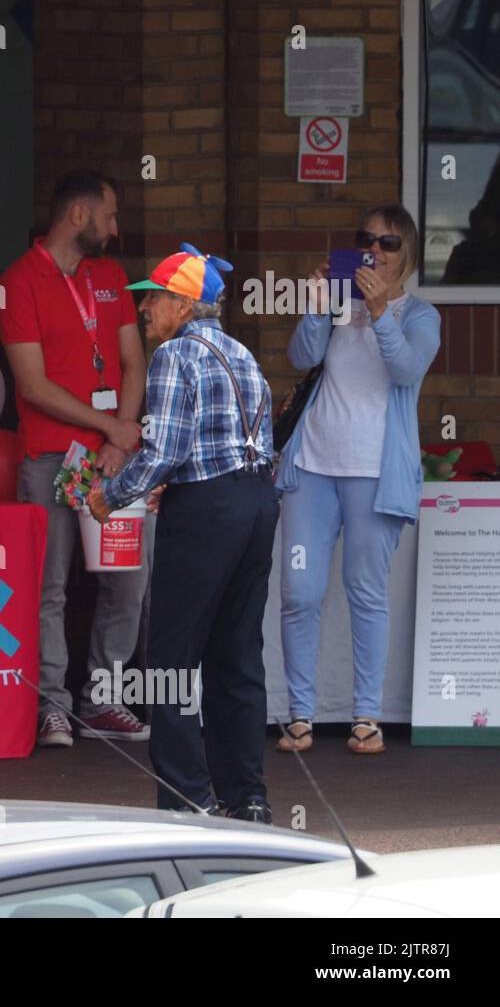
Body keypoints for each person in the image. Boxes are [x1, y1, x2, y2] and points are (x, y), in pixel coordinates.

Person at [88, 245, 277, 822]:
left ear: (181, 303)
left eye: (153, 301)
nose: (145, 312)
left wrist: (109, 496)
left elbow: (165, 449)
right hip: (256, 503)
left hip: (206, 513)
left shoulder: (174, 355)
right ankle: (247, 798)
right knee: (237, 655)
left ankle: (187, 799)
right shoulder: (243, 355)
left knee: (170, 659)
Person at [275, 205, 441, 756]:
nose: (374, 249)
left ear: (407, 257)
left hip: (375, 474)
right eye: (364, 239)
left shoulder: (420, 316)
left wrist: (380, 312)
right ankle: (299, 715)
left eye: (388, 243)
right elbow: (302, 355)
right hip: (313, 468)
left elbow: (407, 370)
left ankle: (365, 716)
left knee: (366, 593)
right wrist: (321, 307)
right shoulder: (339, 304)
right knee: (300, 591)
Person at [0, 169, 151, 747]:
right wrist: (110, 425)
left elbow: (134, 362)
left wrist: (119, 437)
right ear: (78, 216)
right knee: (49, 586)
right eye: (109, 216)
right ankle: (52, 705)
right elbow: (32, 385)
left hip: (112, 458)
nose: (116, 229)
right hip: (50, 456)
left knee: (126, 579)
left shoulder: (111, 276)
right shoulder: (18, 282)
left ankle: (103, 700)